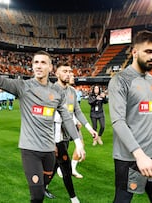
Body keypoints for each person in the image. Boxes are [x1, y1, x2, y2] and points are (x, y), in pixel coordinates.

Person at [0, 24, 85, 203]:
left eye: (43, 62)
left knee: (41, 192)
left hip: (49, 151)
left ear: (50, 68)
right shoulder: (23, 87)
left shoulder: (57, 92)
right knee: (36, 196)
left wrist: (78, 143)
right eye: (35, 62)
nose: (38, 66)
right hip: (30, 151)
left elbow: (67, 117)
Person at [108, 30, 152, 202]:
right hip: (128, 157)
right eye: (148, 51)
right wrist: (140, 155)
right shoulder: (120, 80)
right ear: (134, 52)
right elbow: (118, 121)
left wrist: (150, 152)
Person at [44, 62, 98, 202]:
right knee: (66, 167)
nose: (68, 74)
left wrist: (90, 129)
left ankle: (44, 186)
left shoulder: (72, 92)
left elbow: (77, 112)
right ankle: (74, 198)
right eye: (64, 71)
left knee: (56, 164)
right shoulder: (51, 90)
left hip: (67, 134)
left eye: (69, 71)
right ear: (56, 74)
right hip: (54, 136)